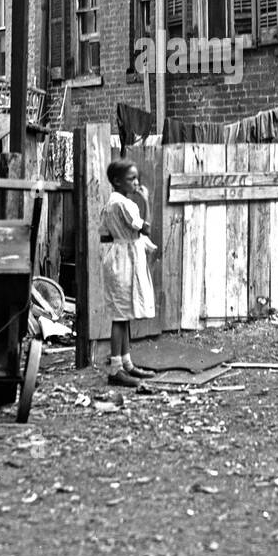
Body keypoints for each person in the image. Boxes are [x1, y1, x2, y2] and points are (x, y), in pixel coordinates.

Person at [100, 159, 157, 387]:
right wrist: (147, 200)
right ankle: (116, 370)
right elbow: (147, 228)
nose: (136, 183)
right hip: (123, 260)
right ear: (117, 181)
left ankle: (126, 363)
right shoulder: (124, 204)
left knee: (123, 315)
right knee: (119, 316)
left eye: (136, 178)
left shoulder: (117, 201)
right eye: (131, 179)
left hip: (123, 257)